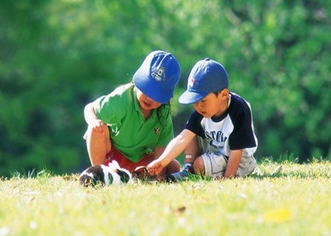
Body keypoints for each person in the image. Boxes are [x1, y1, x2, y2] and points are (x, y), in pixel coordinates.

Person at [147, 58, 258, 181]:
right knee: (190, 131)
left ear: (223, 95)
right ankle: (188, 169)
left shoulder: (239, 109)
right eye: (195, 101)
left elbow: (237, 149)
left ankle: (194, 171)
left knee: (199, 165)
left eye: (203, 100)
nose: (198, 106)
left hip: (239, 160)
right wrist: (161, 162)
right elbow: (182, 139)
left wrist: (228, 178)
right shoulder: (202, 111)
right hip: (214, 154)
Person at [83, 50, 181, 179]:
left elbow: (161, 147)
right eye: (147, 89)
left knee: (173, 166)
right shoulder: (122, 98)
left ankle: (137, 174)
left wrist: (159, 174)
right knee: (96, 129)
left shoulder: (162, 114)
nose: (149, 98)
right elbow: (90, 108)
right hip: (112, 156)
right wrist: (93, 121)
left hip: (141, 158)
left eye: (156, 95)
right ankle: (101, 174)